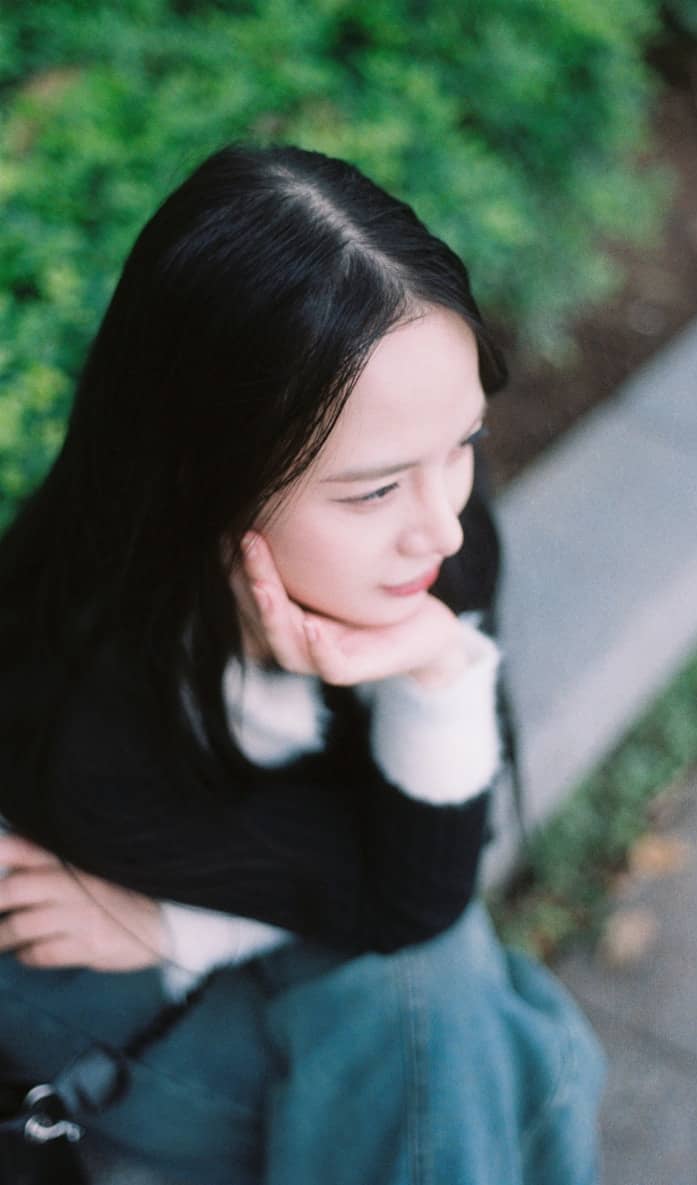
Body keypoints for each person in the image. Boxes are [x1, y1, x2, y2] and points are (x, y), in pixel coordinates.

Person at [0, 143, 604, 1184]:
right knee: (501, 1051)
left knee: (428, 1013)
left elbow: (409, 889)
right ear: (206, 476)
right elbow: (415, 894)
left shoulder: (433, 541)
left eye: (462, 442)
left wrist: (430, 668)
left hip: (228, 929)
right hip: (77, 975)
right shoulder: (75, 664)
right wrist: (183, 916)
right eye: (372, 491)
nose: (441, 530)